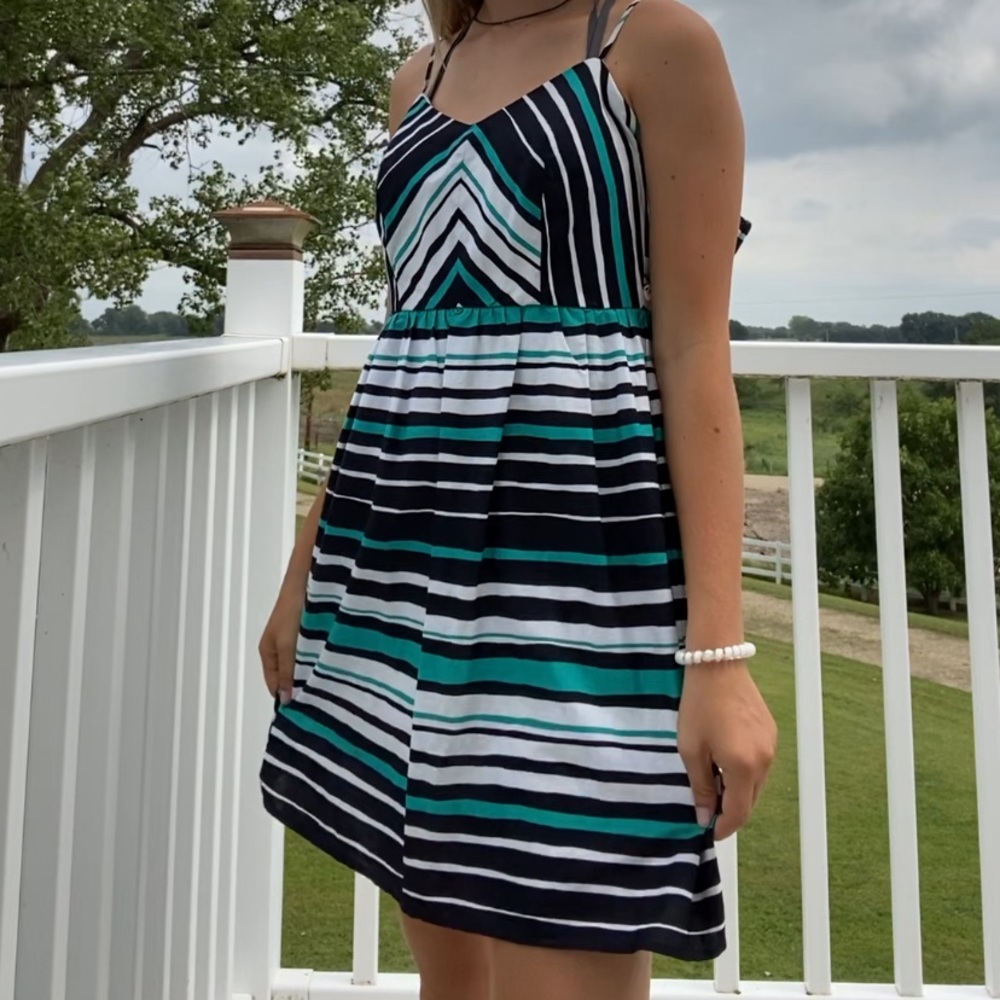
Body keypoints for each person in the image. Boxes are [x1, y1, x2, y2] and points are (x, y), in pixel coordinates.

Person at [258, 1, 777, 997]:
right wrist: (303, 569)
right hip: (400, 555)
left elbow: (693, 349)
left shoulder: (654, 44)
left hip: (570, 556)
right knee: (441, 934)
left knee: (566, 890)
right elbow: (407, 345)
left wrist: (717, 655)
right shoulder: (421, 74)